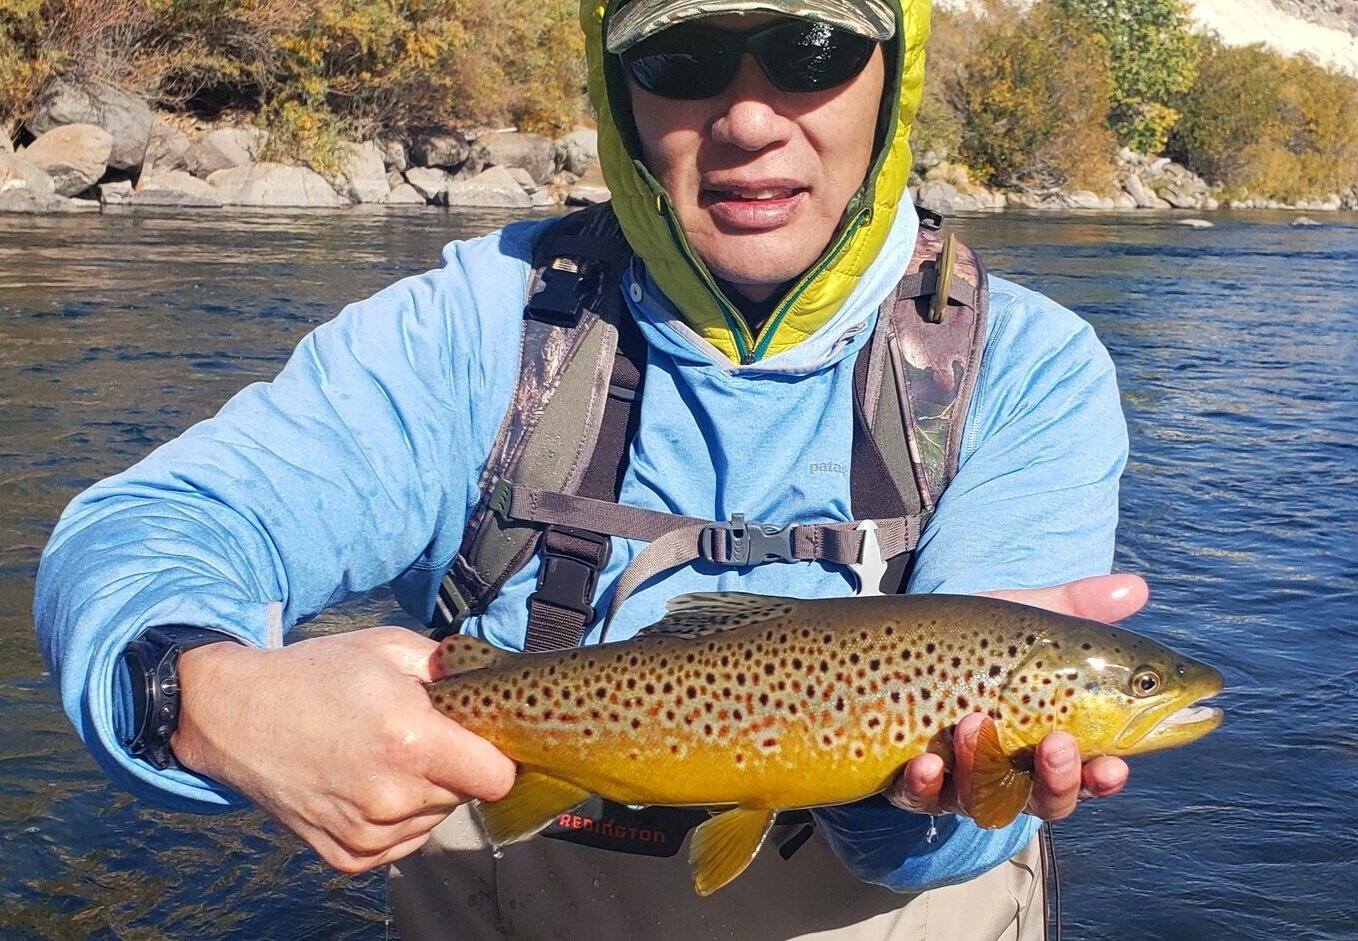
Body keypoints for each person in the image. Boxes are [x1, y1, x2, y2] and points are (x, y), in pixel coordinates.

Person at [34, 0, 1141, 938]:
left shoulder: (1022, 369)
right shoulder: (473, 328)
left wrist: (925, 790)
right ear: (618, 93)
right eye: (682, 57)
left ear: (891, 78)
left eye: (810, 52)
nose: (749, 119)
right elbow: (153, 523)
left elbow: (949, 842)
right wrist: (196, 690)